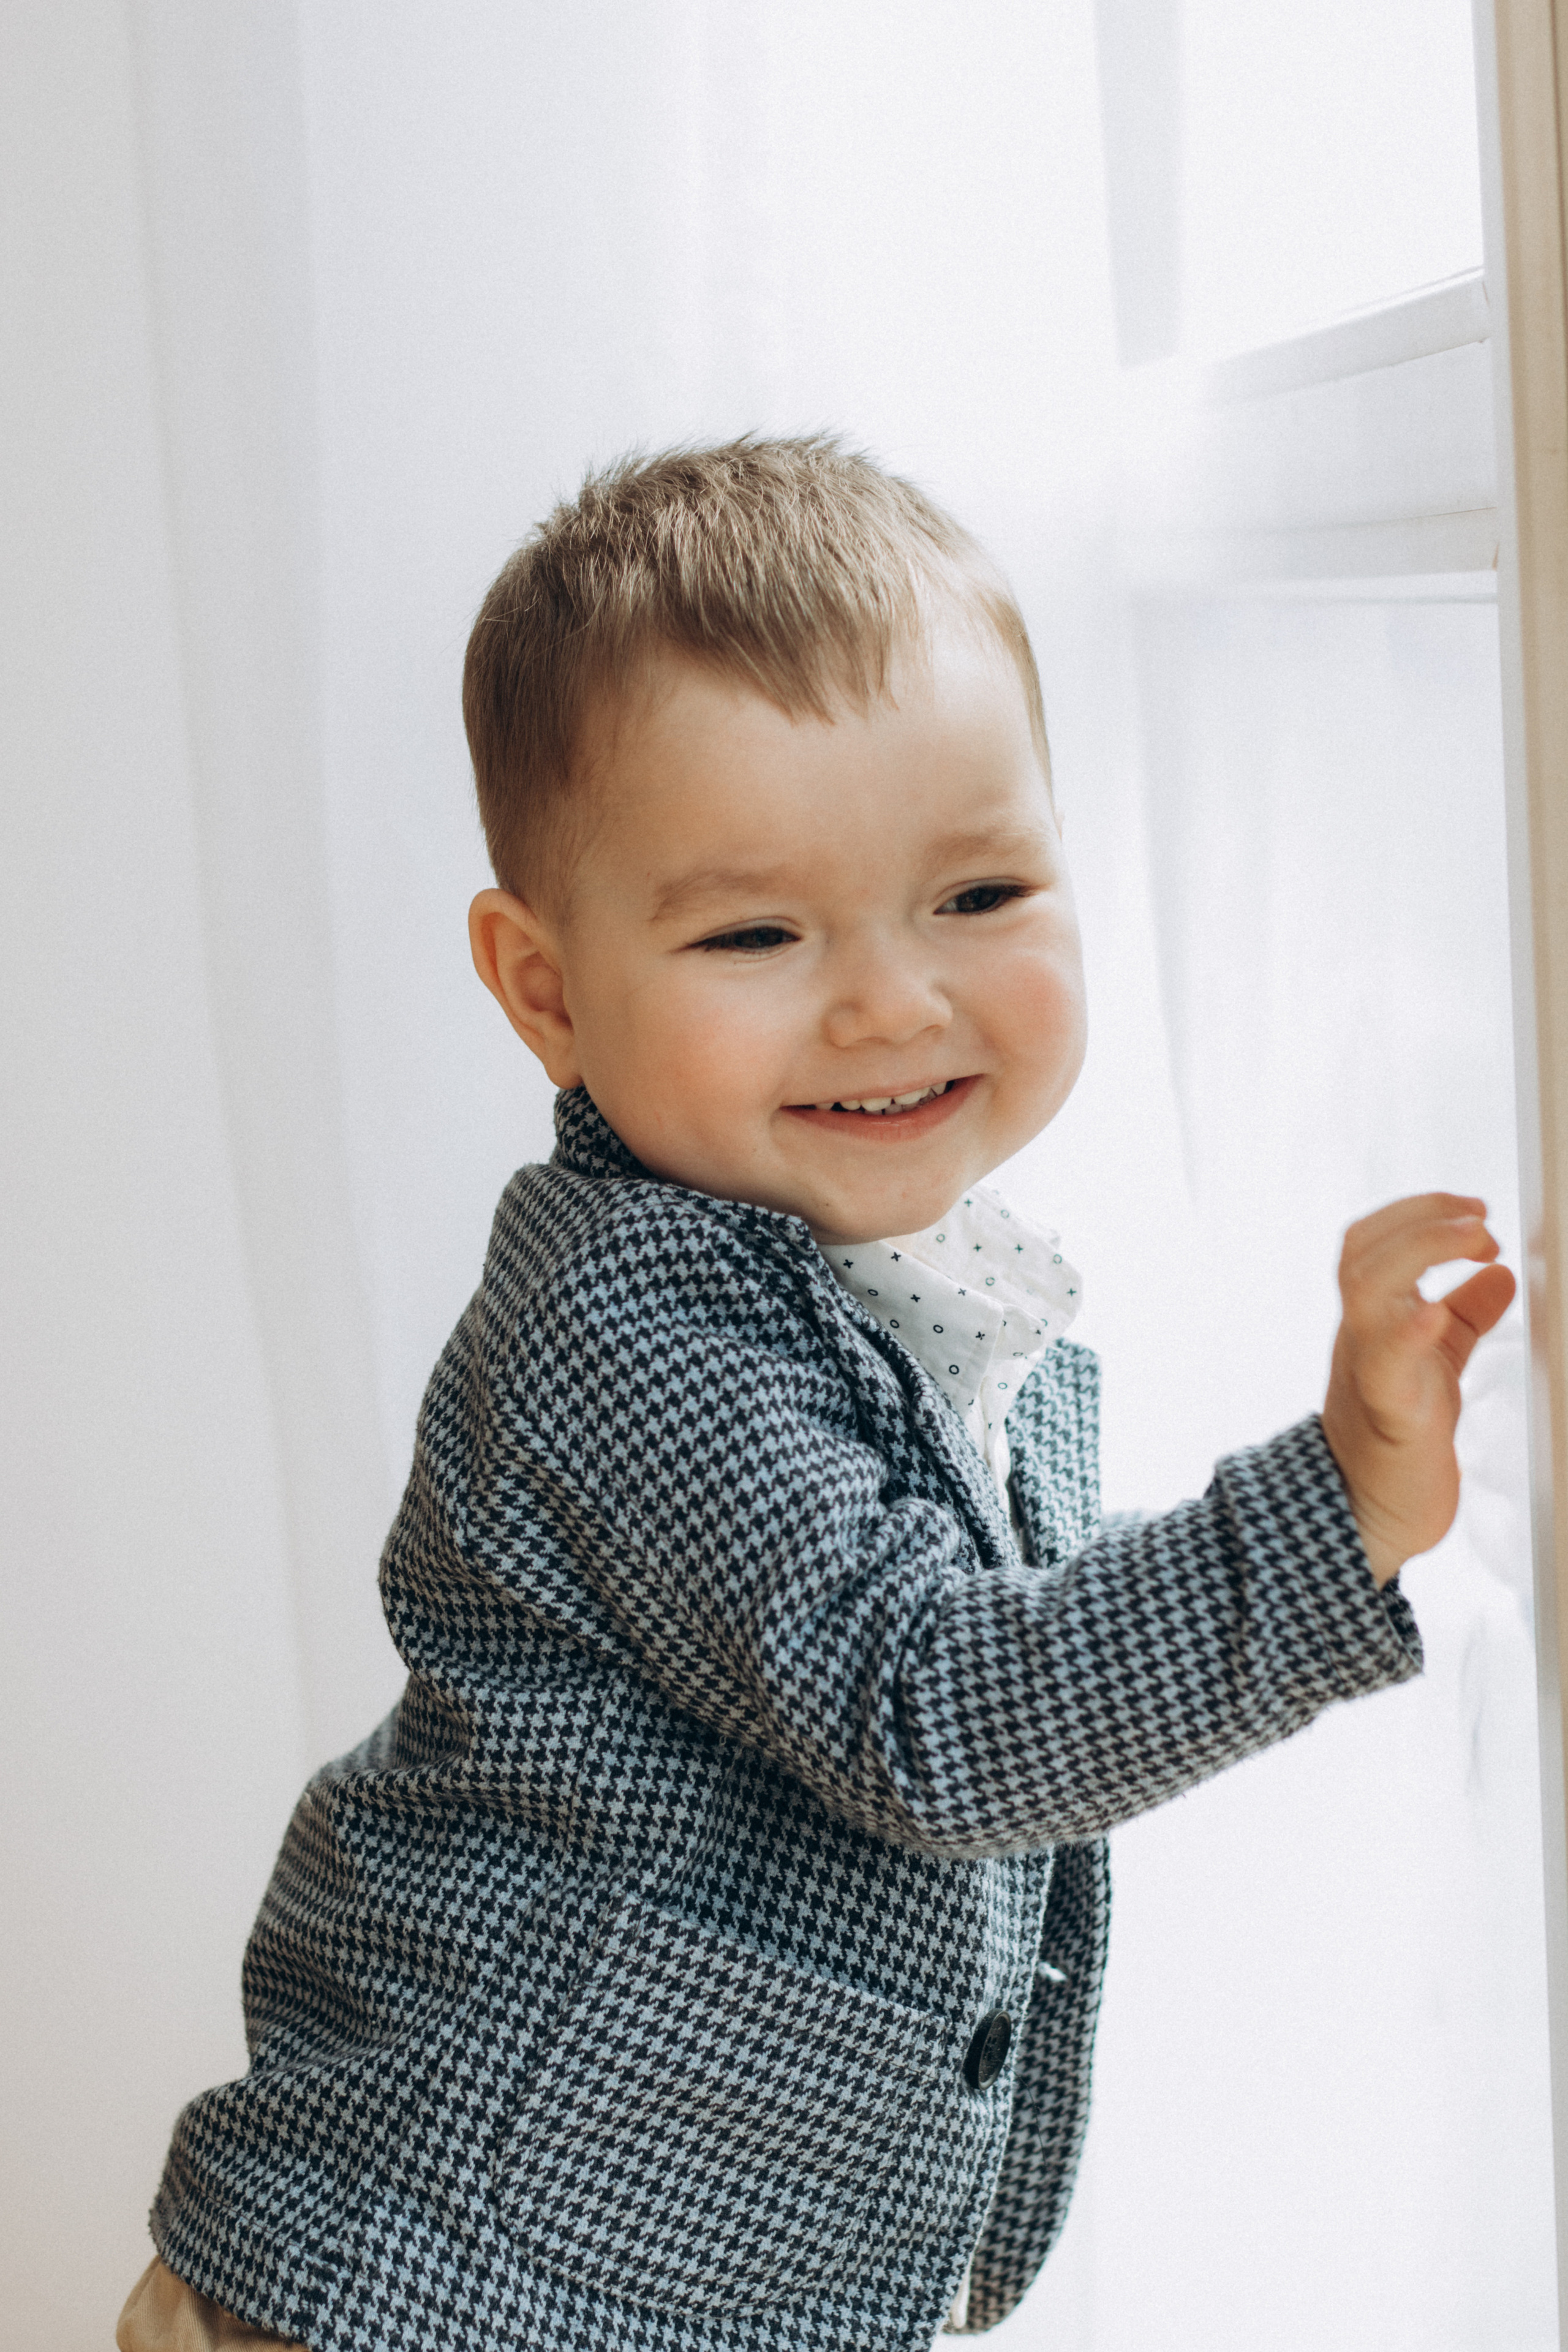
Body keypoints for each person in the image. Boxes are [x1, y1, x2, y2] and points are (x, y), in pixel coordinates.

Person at [118, 437, 1513, 2352]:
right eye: (757, 934)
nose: (888, 1002)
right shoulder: (625, 1328)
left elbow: (967, 1616)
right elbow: (931, 1700)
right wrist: (1328, 1507)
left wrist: (1328, 1498)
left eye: (979, 892)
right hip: (436, 2287)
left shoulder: (899, 1285)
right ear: (546, 991)